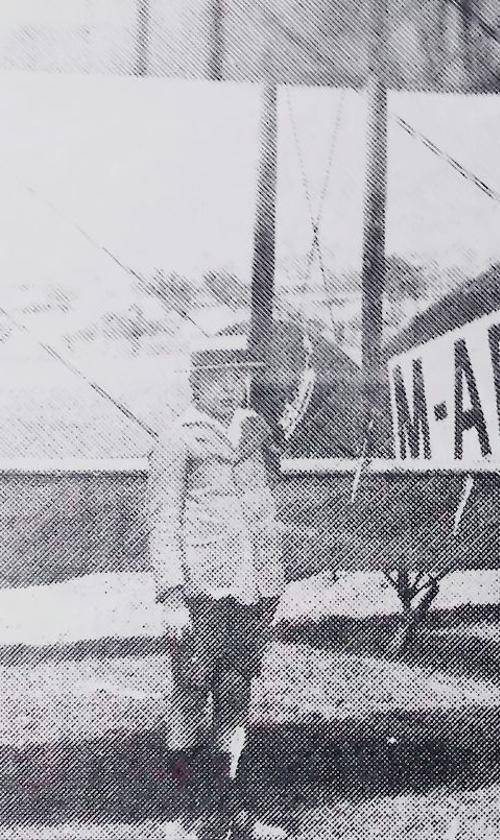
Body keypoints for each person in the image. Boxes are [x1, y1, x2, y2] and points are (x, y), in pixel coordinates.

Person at [145, 334, 288, 840]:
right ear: (196, 385)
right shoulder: (176, 440)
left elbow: (265, 503)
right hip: (203, 592)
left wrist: (273, 577)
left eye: (240, 376)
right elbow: (162, 522)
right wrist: (172, 596)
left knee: (235, 693)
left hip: (253, 587)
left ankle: (234, 815)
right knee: (189, 694)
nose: (232, 387)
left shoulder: (255, 434)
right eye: (219, 378)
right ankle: (184, 817)